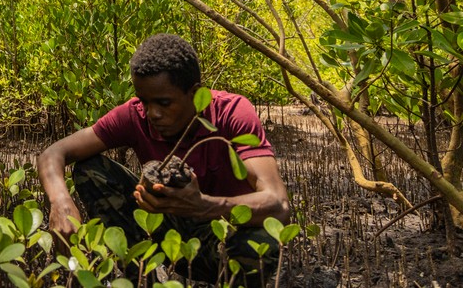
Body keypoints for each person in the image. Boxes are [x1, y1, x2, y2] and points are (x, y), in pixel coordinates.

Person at [37, 34, 291, 285]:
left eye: (164, 103)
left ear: (195, 93)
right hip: (163, 231)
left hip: (221, 239)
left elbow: (278, 204)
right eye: (144, 101)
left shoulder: (232, 113)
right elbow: (54, 153)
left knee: (265, 243)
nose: (152, 113)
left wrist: (202, 206)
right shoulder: (134, 115)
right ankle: (140, 277)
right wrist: (60, 201)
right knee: (90, 169)